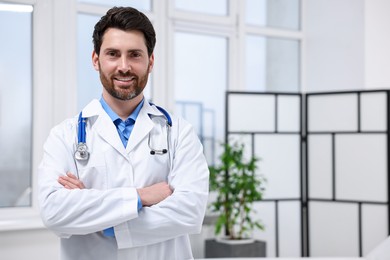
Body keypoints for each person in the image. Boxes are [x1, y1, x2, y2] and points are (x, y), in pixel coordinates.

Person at [38, 6, 209, 260]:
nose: (124, 66)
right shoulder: (65, 136)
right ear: (96, 60)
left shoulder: (179, 132)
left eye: (135, 55)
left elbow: (190, 211)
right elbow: (53, 211)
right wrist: (142, 197)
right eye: (113, 54)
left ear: (150, 62)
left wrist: (100, 219)